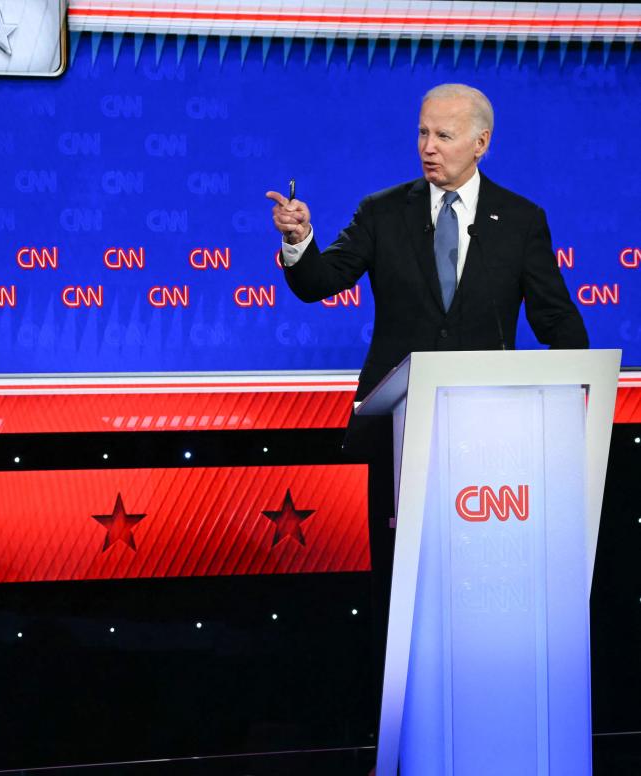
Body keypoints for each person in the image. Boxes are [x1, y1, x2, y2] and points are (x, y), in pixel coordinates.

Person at [263, 82, 587, 706]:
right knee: (402, 580)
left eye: (443, 135)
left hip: (492, 442)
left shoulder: (521, 220)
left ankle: (483, 694)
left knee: (480, 577)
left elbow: (554, 317)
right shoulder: (383, 212)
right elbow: (320, 282)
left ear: (480, 143)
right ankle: (401, 701)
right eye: (421, 133)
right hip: (400, 432)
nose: (427, 147)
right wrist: (299, 238)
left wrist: (585, 382)